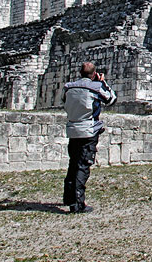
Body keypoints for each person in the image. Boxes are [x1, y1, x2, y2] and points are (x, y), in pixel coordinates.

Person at [62, 61, 116, 214]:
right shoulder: (95, 87)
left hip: (72, 129)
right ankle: (78, 204)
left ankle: (69, 198)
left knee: (73, 164)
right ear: (94, 74)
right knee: (83, 166)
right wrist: (102, 82)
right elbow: (111, 99)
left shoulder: (68, 87)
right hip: (88, 131)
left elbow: (64, 101)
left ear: (80, 73)